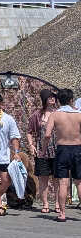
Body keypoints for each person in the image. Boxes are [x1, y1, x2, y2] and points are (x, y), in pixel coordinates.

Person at [44, 88, 81, 222]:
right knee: (79, 182)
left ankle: (62, 213)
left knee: (63, 183)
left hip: (62, 149)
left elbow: (47, 135)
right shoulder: (79, 114)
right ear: (71, 100)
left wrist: (43, 150)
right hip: (77, 148)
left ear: (58, 101)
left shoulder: (55, 114)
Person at [27, 89, 57, 213]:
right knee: (43, 178)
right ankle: (45, 203)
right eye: (49, 97)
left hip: (57, 150)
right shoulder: (37, 115)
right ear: (44, 99)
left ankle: (57, 203)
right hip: (41, 151)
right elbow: (29, 131)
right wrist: (31, 145)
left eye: (53, 97)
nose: (52, 99)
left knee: (58, 179)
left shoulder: (59, 113)